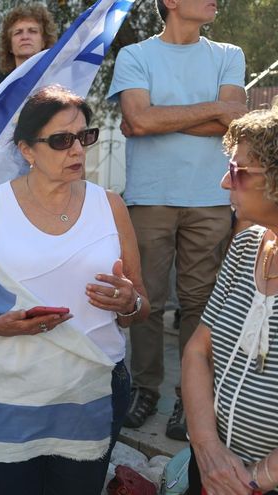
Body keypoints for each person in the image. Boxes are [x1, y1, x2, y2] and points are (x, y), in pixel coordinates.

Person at [0, 86, 148, 494]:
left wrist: (130, 302)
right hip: (9, 391)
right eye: (61, 140)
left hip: (90, 391)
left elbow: (141, 303)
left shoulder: (110, 205)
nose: (76, 149)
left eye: (83, 137)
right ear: (27, 150)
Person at [108, 0, 248, 439]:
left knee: (200, 303)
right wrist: (210, 110)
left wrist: (155, 118)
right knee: (144, 299)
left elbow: (236, 122)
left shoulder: (229, 54)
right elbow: (137, 119)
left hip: (211, 197)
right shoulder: (135, 55)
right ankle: (145, 388)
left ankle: (191, 399)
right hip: (150, 195)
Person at [182, 108, 278, 495]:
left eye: (239, 172)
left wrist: (253, 480)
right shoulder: (246, 245)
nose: (225, 182)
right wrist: (207, 450)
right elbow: (197, 352)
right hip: (209, 471)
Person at [0, 3, 58, 86]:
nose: (25, 37)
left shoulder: (57, 86)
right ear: (9, 46)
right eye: (18, 32)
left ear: (44, 42)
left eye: (32, 31)